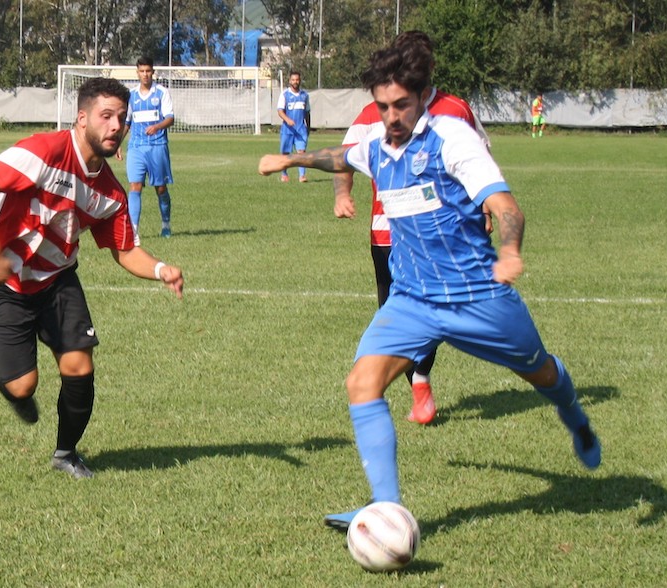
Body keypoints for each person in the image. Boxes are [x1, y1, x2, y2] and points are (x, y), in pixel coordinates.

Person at [258, 43, 601, 530]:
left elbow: (506, 206)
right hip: (413, 299)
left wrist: (510, 251)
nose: (391, 116)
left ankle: (575, 418)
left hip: (476, 296)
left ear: (422, 96)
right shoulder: (378, 144)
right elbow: (341, 157)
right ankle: (387, 507)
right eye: (382, 106)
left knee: (540, 373)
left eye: (401, 105)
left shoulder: (451, 139)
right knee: (362, 383)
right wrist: (288, 158)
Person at [0, 77, 184, 479]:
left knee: (80, 369)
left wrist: (159, 269)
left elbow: (125, 250)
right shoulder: (43, 151)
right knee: (22, 386)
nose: (117, 126)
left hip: (57, 281)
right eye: (106, 116)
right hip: (6, 284)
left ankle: (66, 453)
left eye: (122, 117)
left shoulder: (111, 194)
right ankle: (13, 386)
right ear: (81, 119)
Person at [334, 30, 492, 425]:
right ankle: (412, 382)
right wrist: (342, 193)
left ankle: (419, 377)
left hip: (445, 236)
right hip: (386, 232)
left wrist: (486, 208)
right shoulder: (377, 111)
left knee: (437, 309)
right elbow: (343, 155)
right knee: (392, 310)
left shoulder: (456, 110)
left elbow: (481, 161)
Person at [119, 56, 175, 243]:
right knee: (134, 186)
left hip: (157, 146)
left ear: (152, 72)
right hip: (136, 147)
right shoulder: (131, 96)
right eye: (142, 71)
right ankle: (134, 231)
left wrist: (157, 127)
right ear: (137, 72)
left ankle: (166, 224)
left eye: (148, 71)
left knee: (160, 188)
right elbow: (127, 122)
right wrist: (118, 143)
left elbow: (170, 118)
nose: (145, 74)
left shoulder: (161, 93)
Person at [277, 71, 311, 183]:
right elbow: (280, 111)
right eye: (293, 80)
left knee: (301, 152)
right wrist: (288, 120)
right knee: (285, 153)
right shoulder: (285, 94)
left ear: (300, 80)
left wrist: (308, 127)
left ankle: (302, 176)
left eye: (297, 79)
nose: (295, 82)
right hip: (287, 129)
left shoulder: (305, 95)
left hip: (301, 130)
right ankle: (284, 174)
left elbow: (307, 113)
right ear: (289, 81)